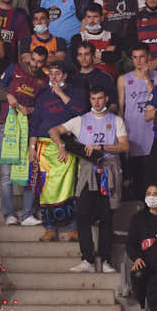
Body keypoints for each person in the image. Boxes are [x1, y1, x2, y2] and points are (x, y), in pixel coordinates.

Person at [49, 86, 128, 273]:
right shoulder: (80, 120)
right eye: (93, 99)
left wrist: (101, 146)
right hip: (87, 172)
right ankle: (87, 259)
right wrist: (61, 146)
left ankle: (106, 260)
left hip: (108, 171)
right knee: (82, 214)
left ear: (106, 99)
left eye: (100, 98)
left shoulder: (116, 120)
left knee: (107, 217)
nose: (97, 102)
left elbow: (124, 146)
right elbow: (53, 130)